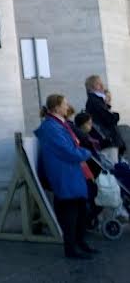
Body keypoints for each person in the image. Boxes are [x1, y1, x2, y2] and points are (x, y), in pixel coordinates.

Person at [35, 94, 98, 259]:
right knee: (70, 214)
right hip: (64, 173)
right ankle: (71, 249)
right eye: (65, 104)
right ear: (56, 108)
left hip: (70, 172)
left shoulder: (57, 124)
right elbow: (66, 151)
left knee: (80, 210)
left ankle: (80, 242)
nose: (67, 106)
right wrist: (86, 153)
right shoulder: (51, 127)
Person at [84, 74, 124, 161]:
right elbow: (108, 118)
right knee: (113, 164)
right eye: (98, 84)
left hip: (106, 138)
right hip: (107, 138)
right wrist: (116, 115)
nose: (102, 86)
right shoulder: (95, 101)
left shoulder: (95, 100)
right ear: (91, 87)